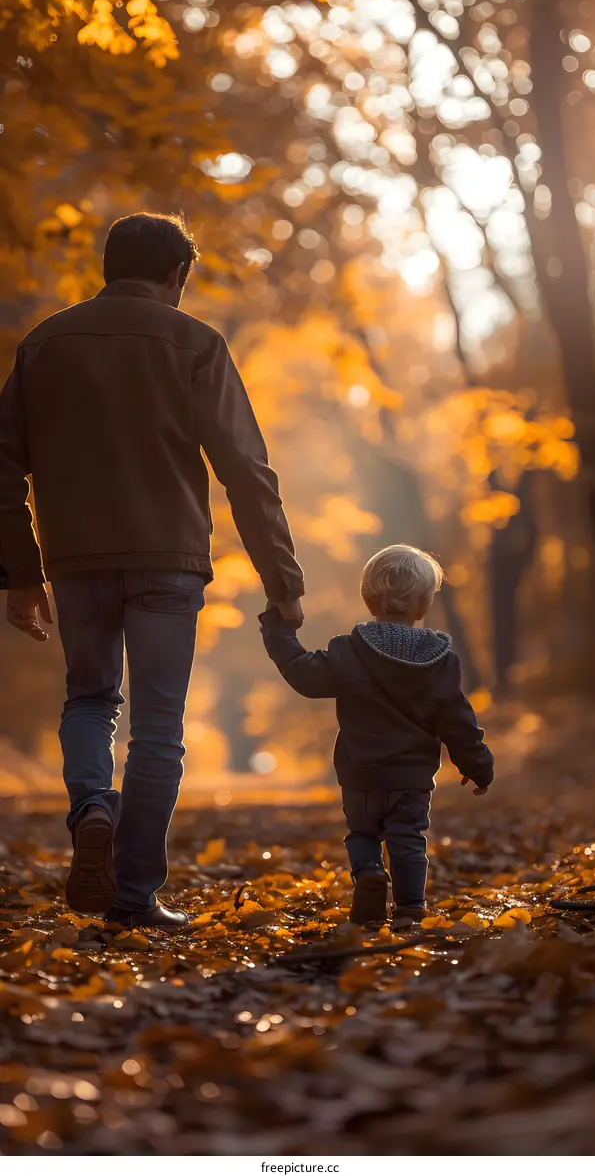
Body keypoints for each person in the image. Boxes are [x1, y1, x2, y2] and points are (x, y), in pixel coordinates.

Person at [0, 212, 304, 929]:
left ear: (109, 267)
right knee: (158, 728)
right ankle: (134, 896)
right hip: (169, 561)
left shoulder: (43, 344)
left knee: (89, 699)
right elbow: (246, 471)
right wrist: (282, 583)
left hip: (75, 560)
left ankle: (91, 810)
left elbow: (3, 469)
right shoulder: (195, 342)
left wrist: (20, 573)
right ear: (177, 276)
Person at [260, 544, 493, 930]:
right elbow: (458, 720)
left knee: (362, 832)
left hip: (360, 774)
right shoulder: (440, 661)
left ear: (369, 599)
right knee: (408, 837)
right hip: (411, 779)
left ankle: (368, 870)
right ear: (424, 604)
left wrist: (276, 628)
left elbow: (302, 673)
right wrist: (478, 765)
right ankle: (409, 909)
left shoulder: (347, 652)